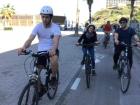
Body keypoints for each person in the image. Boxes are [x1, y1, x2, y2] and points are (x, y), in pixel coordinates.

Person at [18, 5, 61, 86]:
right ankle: (40, 89)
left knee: (54, 60)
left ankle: (53, 78)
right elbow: (30, 39)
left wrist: (53, 49)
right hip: (41, 51)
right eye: (43, 17)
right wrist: (23, 47)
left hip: (52, 50)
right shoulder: (38, 26)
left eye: (47, 17)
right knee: (36, 73)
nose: (44, 19)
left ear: (51, 17)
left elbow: (56, 40)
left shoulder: (55, 27)